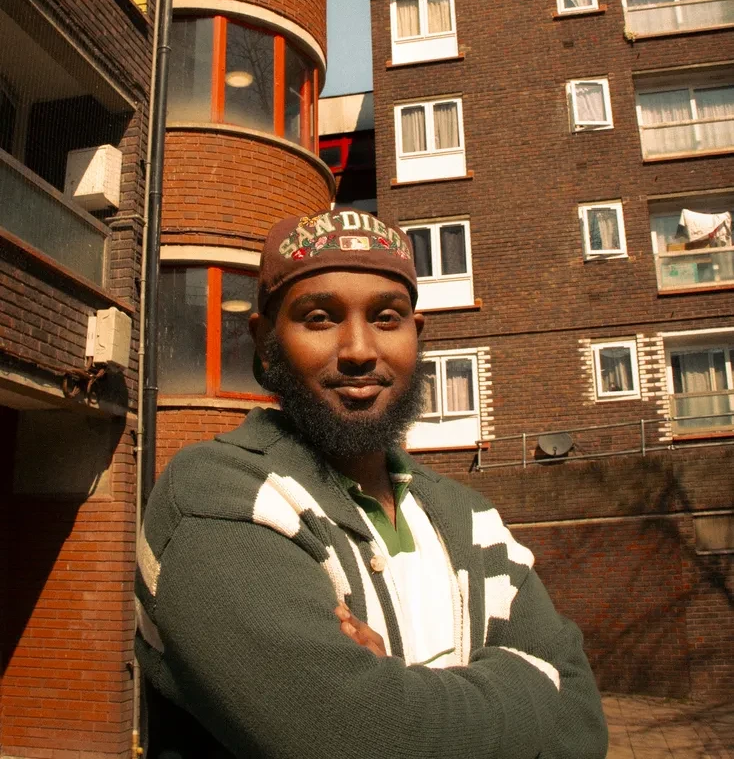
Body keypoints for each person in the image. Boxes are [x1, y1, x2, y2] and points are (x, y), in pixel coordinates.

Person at [136, 208, 608, 759]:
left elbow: (583, 724)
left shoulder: (472, 518)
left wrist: (400, 694)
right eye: (319, 317)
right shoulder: (219, 497)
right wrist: (531, 683)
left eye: (387, 317)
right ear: (266, 343)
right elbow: (374, 739)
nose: (360, 350)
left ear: (417, 335)